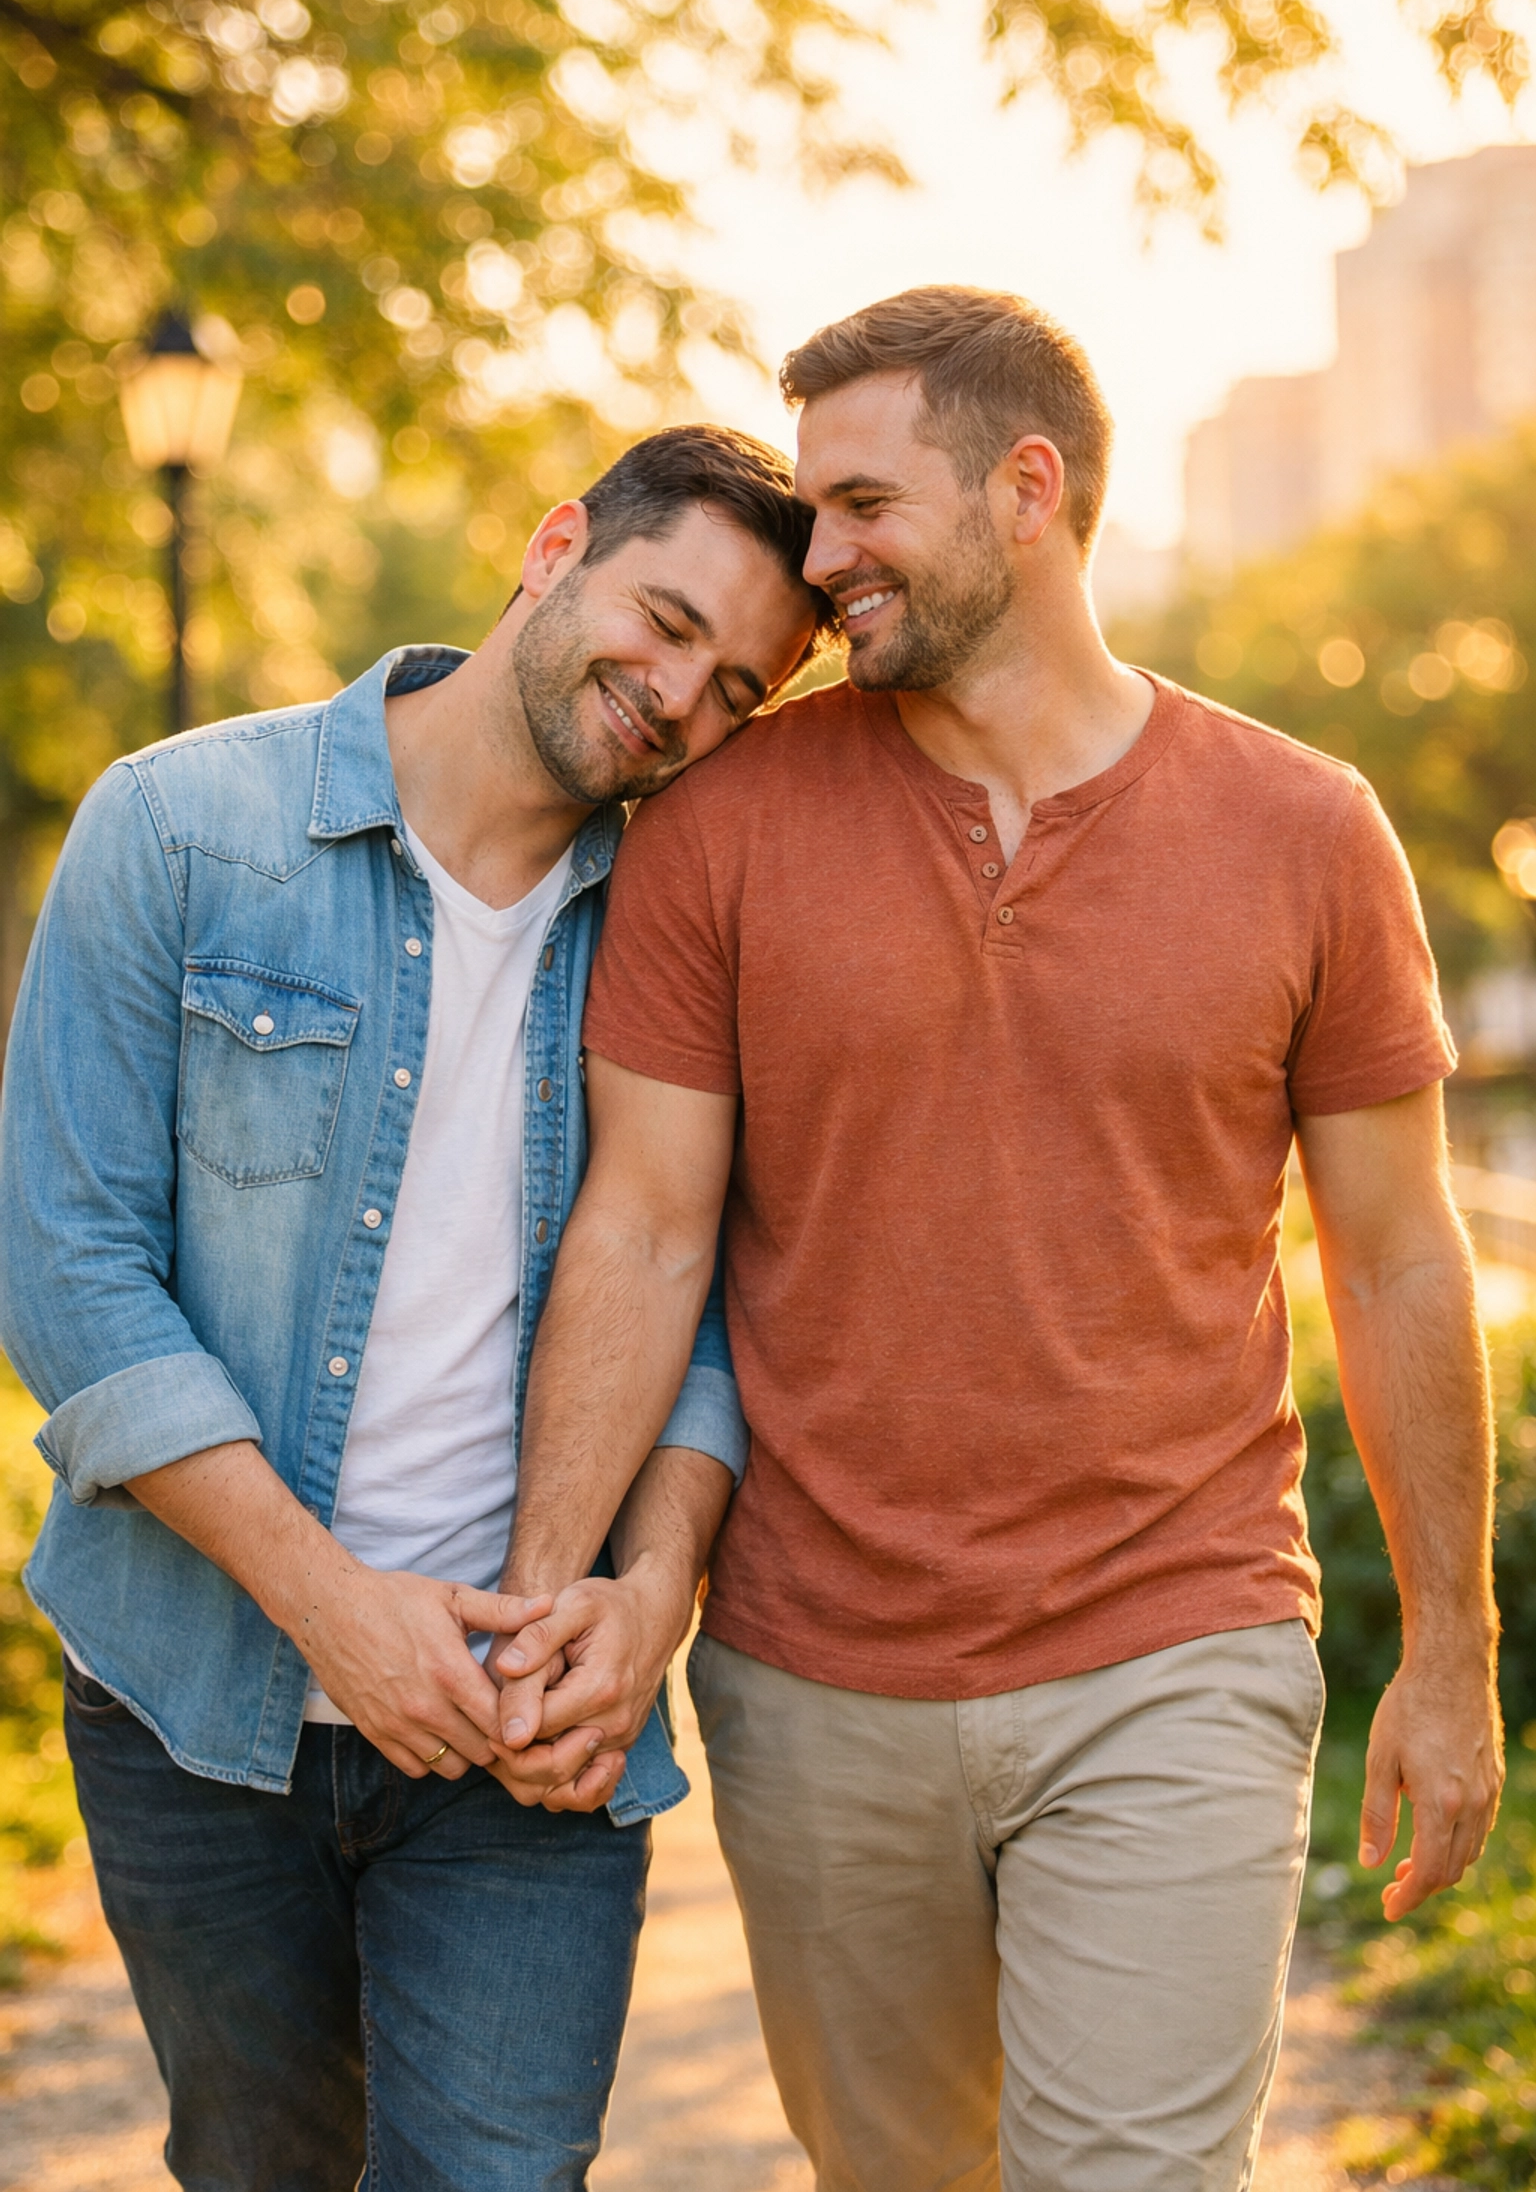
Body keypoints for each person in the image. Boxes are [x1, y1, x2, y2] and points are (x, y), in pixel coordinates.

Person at [490, 289, 1504, 2192]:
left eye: (864, 504)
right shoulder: (722, 824)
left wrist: (1449, 1651)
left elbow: (1395, 1257)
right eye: (813, 509)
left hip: (1173, 1644)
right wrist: (566, 1591)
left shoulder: (1305, 831)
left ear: (1027, 488)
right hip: (813, 1671)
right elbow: (639, 1231)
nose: (823, 556)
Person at [0, 424, 827, 2192]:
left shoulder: (679, 930)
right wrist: (338, 1614)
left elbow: (702, 1308)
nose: (680, 697)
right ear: (556, 548)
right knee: (262, 2164)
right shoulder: (178, 827)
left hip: (527, 1728)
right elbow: (67, 1270)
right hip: (196, 1697)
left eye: (738, 687)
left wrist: (653, 1592)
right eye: (666, 619)